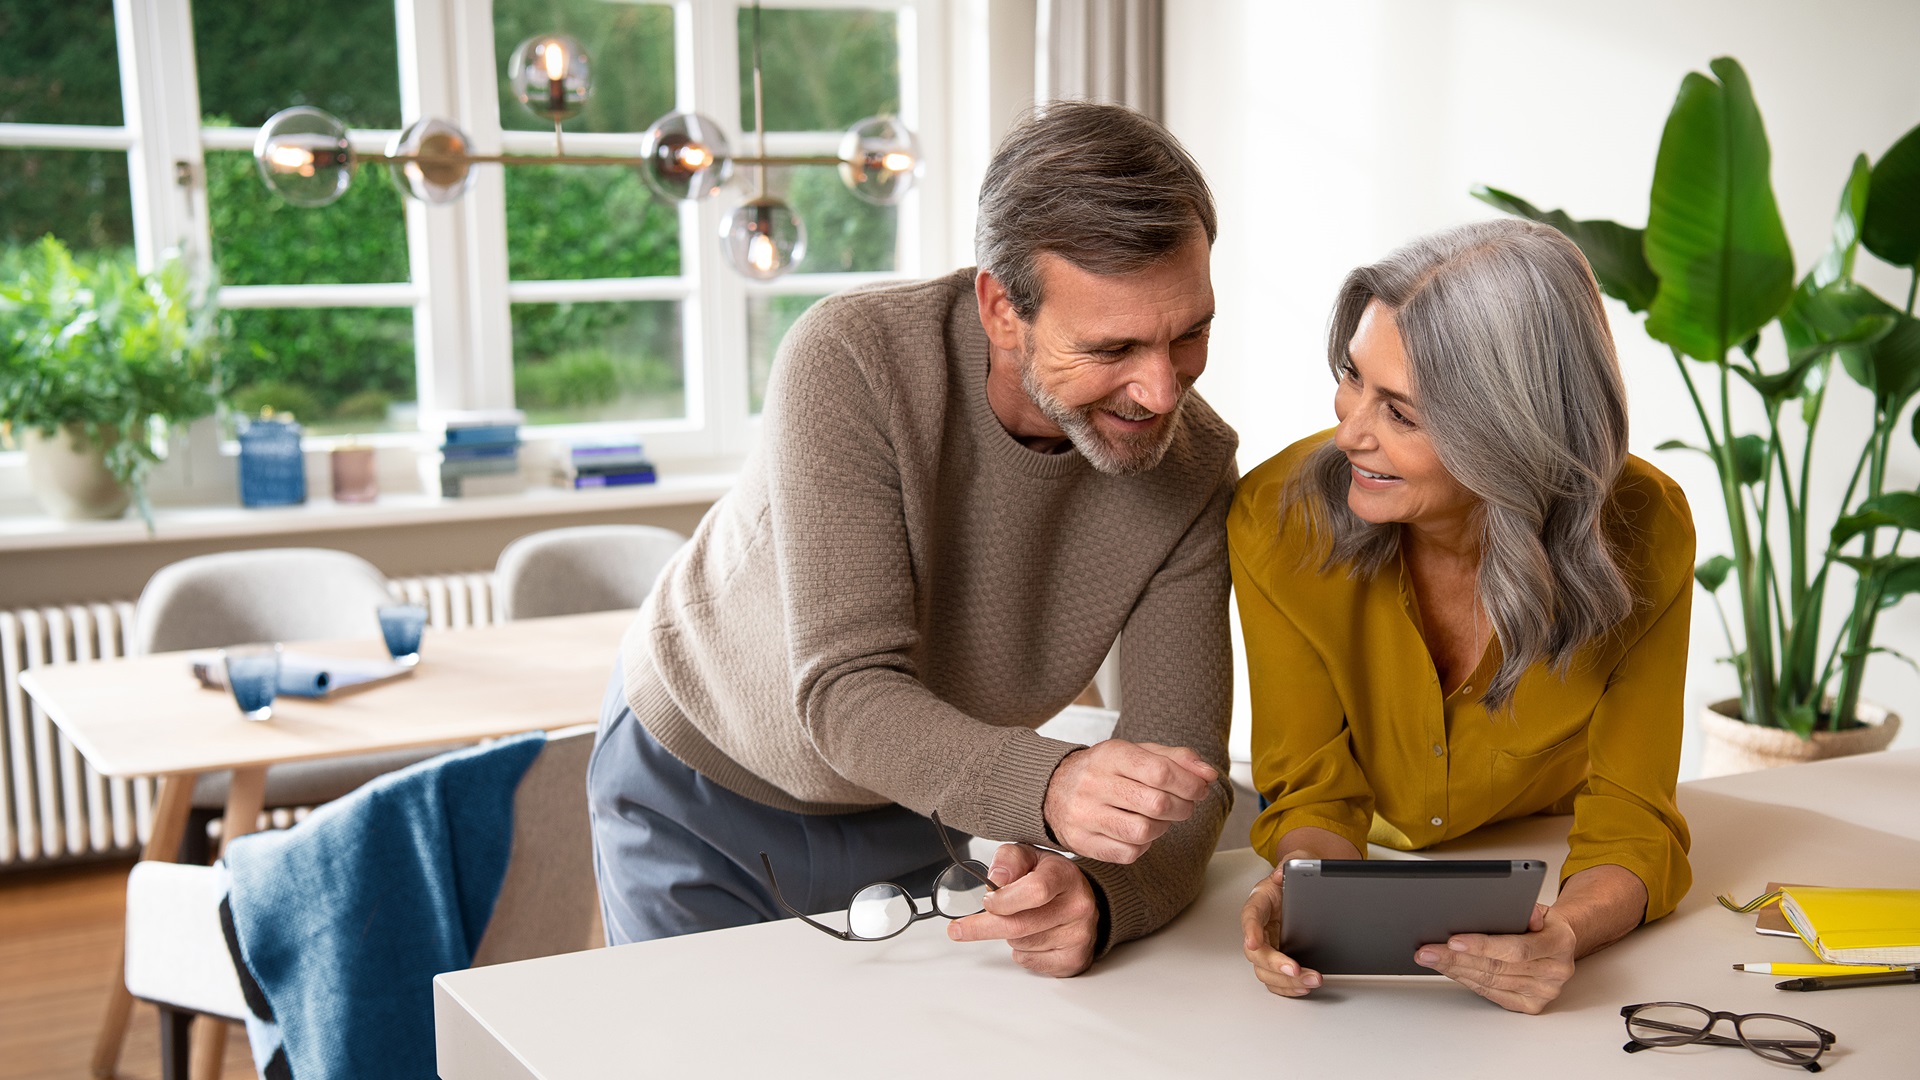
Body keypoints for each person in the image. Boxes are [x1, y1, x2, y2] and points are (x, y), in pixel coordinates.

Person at [588, 101, 1240, 977]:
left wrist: (1102, 900)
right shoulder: (853, 359)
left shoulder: (1194, 466)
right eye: (1112, 345)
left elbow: (1183, 781)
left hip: (915, 795)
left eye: (1189, 332)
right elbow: (847, 693)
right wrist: (1051, 785)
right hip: (698, 783)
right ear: (1002, 308)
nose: (1160, 392)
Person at [1231, 219, 1694, 1013]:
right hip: (1366, 862)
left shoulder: (1644, 530)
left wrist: (1566, 935)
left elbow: (1631, 821)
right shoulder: (1277, 519)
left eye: (1401, 415)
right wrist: (1300, 886)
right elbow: (1312, 791)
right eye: (1352, 377)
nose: (1349, 431)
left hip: (1542, 853)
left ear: (1512, 436)